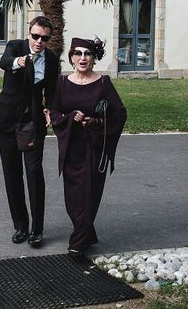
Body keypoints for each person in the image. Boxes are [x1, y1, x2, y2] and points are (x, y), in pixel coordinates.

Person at [47, 37, 127, 254]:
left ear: (93, 58)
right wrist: (71, 117)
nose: (83, 58)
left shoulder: (103, 84)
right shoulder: (62, 83)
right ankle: (87, 232)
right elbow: (53, 111)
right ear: (71, 58)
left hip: (93, 145)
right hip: (71, 146)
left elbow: (119, 114)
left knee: (88, 194)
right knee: (73, 199)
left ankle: (78, 243)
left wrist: (92, 121)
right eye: (78, 54)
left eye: (87, 54)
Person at [0, 16, 59, 247]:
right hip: (7, 119)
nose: (39, 41)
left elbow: (52, 90)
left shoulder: (51, 59)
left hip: (32, 122)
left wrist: (50, 109)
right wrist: (21, 61)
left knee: (34, 174)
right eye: (36, 36)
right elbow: (4, 62)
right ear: (29, 33)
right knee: (12, 174)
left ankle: (37, 230)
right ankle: (21, 226)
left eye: (44, 38)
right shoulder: (15, 46)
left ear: (49, 39)